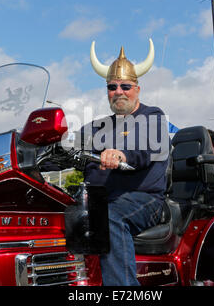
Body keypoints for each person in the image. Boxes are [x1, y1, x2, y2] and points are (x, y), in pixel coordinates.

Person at [81, 39, 170, 285]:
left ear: (137, 89)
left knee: (110, 217)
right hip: (100, 198)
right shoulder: (98, 125)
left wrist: (121, 155)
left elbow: (145, 148)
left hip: (144, 198)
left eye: (125, 86)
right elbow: (69, 143)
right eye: (112, 86)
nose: (118, 91)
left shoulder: (153, 116)